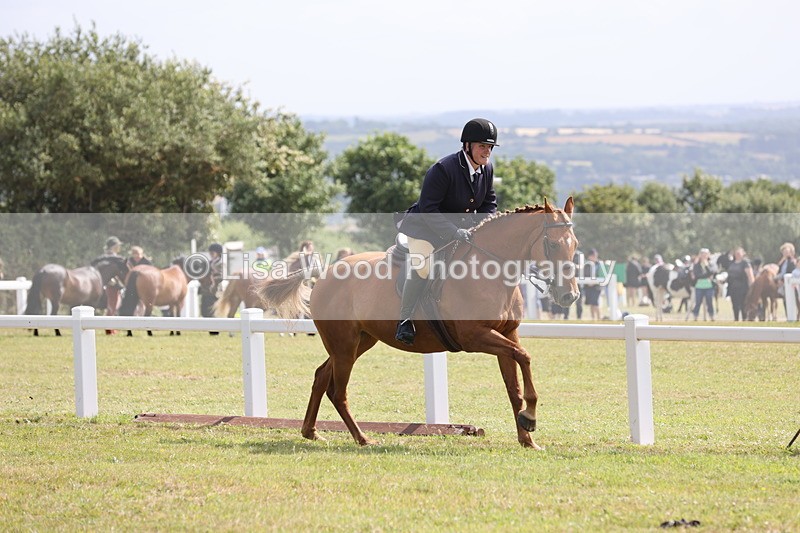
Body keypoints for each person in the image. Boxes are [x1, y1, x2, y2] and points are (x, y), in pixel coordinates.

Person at [394, 118, 499, 344]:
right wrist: (453, 232)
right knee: (424, 266)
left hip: (459, 230)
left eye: (490, 147)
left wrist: (483, 227)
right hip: (424, 229)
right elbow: (428, 208)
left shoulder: (486, 169)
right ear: (467, 146)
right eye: (482, 146)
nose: (487, 151)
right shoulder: (443, 169)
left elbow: (489, 204)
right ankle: (405, 320)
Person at [98, 236, 123, 335]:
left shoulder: (108, 256)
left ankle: (111, 327)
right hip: (111, 285)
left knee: (114, 307)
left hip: (114, 285)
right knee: (112, 306)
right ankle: (109, 329)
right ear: (114, 246)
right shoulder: (111, 257)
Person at [201, 243, 224, 335]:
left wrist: (213, 277)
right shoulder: (209, 262)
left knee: (212, 311)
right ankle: (211, 328)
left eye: (212, 253)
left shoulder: (221, 263)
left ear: (218, 253)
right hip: (206, 290)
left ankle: (214, 330)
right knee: (204, 310)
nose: (211, 254)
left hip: (215, 290)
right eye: (210, 253)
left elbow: (221, 276)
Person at [726, 247, 754, 321]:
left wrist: (752, 287)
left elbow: (750, 276)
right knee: (734, 304)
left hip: (743, 287)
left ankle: (744, 319)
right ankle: (736, 319)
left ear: (743, 254)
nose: (737, 255)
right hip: (733, 287)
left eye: (739, 253)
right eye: (736, 253)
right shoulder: (731, 263)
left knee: (743, 304)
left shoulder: (745, 263)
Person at [692, 248, 715, 321]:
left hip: (709, 286)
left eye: (705, 254)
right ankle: (695, 316)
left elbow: (711, 272)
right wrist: (707, 275)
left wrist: (706, 266)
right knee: (698, 302)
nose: (704, 256)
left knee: (709, 302)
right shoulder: (696, 265)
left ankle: (711, 316)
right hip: (699, 286)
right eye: (702, 254)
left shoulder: (710, 264)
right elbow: (697, 275)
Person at [775, 242, 796, 314]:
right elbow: (779, 272)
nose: (785, 253)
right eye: (784, 252)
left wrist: (782, 281)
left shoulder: (792, 262)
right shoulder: (783, 262)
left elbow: (791, 273)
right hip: (782, 282)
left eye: (787, 252)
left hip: (789, 283)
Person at [582, 248, 603, 321]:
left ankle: (599, 318)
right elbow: (584, 274)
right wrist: (588, 282)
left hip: (597, 287)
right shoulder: (586, 264)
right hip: (588, 286)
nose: (595, 257)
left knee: (595, 303)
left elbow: (601, 274)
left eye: (595, 255)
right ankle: (593, 318)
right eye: (593, 256)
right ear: (589, 256)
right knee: (591, 303)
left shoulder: (599, 264)